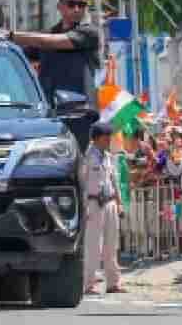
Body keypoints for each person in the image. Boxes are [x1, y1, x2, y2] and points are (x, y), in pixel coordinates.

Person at [0, 0, 100, 148]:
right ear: (60, 7)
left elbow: (46, 42)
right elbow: (18, 58)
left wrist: (9, 35)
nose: (77, 9)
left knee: (74, 157)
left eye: (82, 5)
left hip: (78, 113)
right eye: (71, 4)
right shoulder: (49, 34)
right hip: (48, 112)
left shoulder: (88, 33)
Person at [82, 122, 125, 296]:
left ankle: (113, 283)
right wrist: (84, 207)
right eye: (106, 136)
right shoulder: (86, 157)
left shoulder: (108, 157)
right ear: (97, 138)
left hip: (109, 202)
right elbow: (82, 183)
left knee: (111, 245)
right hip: (93, 203)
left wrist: (120, 203)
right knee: (93, 245)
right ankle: (89, 284)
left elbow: (114, 181)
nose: (109, 140)